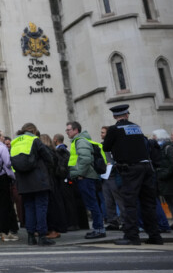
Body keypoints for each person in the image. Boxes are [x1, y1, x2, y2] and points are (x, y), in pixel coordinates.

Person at [103, 105, 162, 245]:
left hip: (130, 169)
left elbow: (106, 147)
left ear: (114, 116)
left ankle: (132, 236)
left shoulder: (114, 129)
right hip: (146, 167)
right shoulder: (136, 127)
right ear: (127, 115)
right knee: (148, 203)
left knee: (129, 203)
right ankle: (155, 236)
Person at [11, 123, 56, 246]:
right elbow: (49, 158)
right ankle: (42, 236)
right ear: (34, 130)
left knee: (29, 208)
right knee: (41, 207)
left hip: (23, 182)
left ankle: (31, 236)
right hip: (39, 180)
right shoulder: (34, 140)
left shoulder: (14, 142)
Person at [66, 121, 106, 239]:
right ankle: (98, 228)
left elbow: (85, 159)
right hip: (86, 176)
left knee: (92, 204)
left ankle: (99, 229)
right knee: (92, 203)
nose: (67, 132)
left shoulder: (81, 141)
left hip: (86, 177)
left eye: (69, 130)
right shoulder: (78, 141)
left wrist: (80, 174)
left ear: (76, 130)